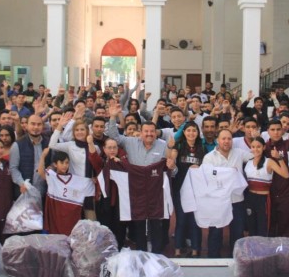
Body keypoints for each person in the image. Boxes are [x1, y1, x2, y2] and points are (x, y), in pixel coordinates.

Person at [105, 104, 176, 253]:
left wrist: (172, 165)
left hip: (156, 192)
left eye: (152, 131)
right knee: (138, 223)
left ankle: (157, 255)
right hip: (136, 190)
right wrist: (112, 117)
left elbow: (172, 170)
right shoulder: (130, 142)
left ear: (155, 133)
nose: (149, 134)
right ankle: (141, 254)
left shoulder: (164, 146)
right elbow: (114, 136)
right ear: (141, 132)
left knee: (156, 223)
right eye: (146, 131)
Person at [202, 128, 252, 257]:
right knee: (215, 233)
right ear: (217, 140)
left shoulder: (240, 153)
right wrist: (227, 173)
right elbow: (207, 178)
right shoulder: (209, 158)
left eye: (229, 139)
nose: (226, 141)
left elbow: (256, 154)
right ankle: (213, 259)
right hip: (218, 201)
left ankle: (236, 259)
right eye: (223, 138)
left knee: (237, 232)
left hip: (237, 200)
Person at [169, 122, 205, 258]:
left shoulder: (202, 148)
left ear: (198, 132)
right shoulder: (179, 146)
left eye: (194, 130)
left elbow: (207, 167)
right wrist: (172, 160)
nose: (191, 133)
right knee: (181, 220)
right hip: (181, 189)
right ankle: (178, 250)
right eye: (188, 130)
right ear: (184, 132)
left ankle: (196, 250)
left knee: (195, 220)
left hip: (197, 191)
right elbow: (172, 158)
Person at [39, 150, 95, 235]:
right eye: (61, 162)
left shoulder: (77, 180)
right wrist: (43, 156)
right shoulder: (52, 177)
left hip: (70, 221)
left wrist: (93, 181)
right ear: (55, 164)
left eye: (67, 163)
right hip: (56, 218)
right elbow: (41, 172)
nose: (65, 165)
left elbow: (90, 185)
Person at [244, 137, 289, 237]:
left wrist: (279, 158)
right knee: (251, 228)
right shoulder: (248, 163)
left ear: (264, 147)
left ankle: (262, 252)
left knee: (263, 229)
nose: (256, 149)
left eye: (258, 147)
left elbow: (286, 175)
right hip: (250, 199)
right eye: (253, 147)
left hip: (263, 200)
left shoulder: (269, 162)